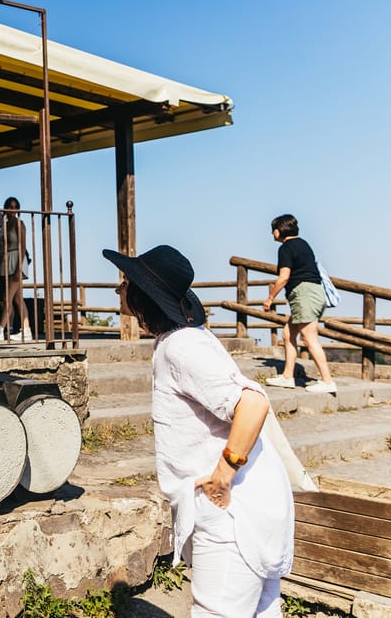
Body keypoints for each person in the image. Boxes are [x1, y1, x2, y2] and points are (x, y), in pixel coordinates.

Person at [103, 245, 294, 618]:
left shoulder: (182, 348)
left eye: (125, 283)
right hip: (254, 502)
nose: (118, 290)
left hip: (234, 511)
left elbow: (253, 404)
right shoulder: (186, 340)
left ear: (143, 296)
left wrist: (223, 474)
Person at [262, 214, 336, 393]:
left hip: (304, 295)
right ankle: (288, 377)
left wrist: (270, 297)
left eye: (273, 230)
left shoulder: (286, 248)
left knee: (310, 339)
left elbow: (284, 277)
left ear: (278, 230)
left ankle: (327, 381)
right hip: (314, 294)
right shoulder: (303, 244)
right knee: (288, 334)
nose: (272, 234)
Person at [0, 197, 32, 342]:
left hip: (17, 261)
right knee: (16, 298)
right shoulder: (4, 225)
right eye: (9, 206)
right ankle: (26, 329)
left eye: (15, 207)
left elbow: (22, 246)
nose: (12, 209)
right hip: (7, 261)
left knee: (7, 297)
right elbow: (1, 246)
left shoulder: (19, 224)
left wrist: (18, 268)